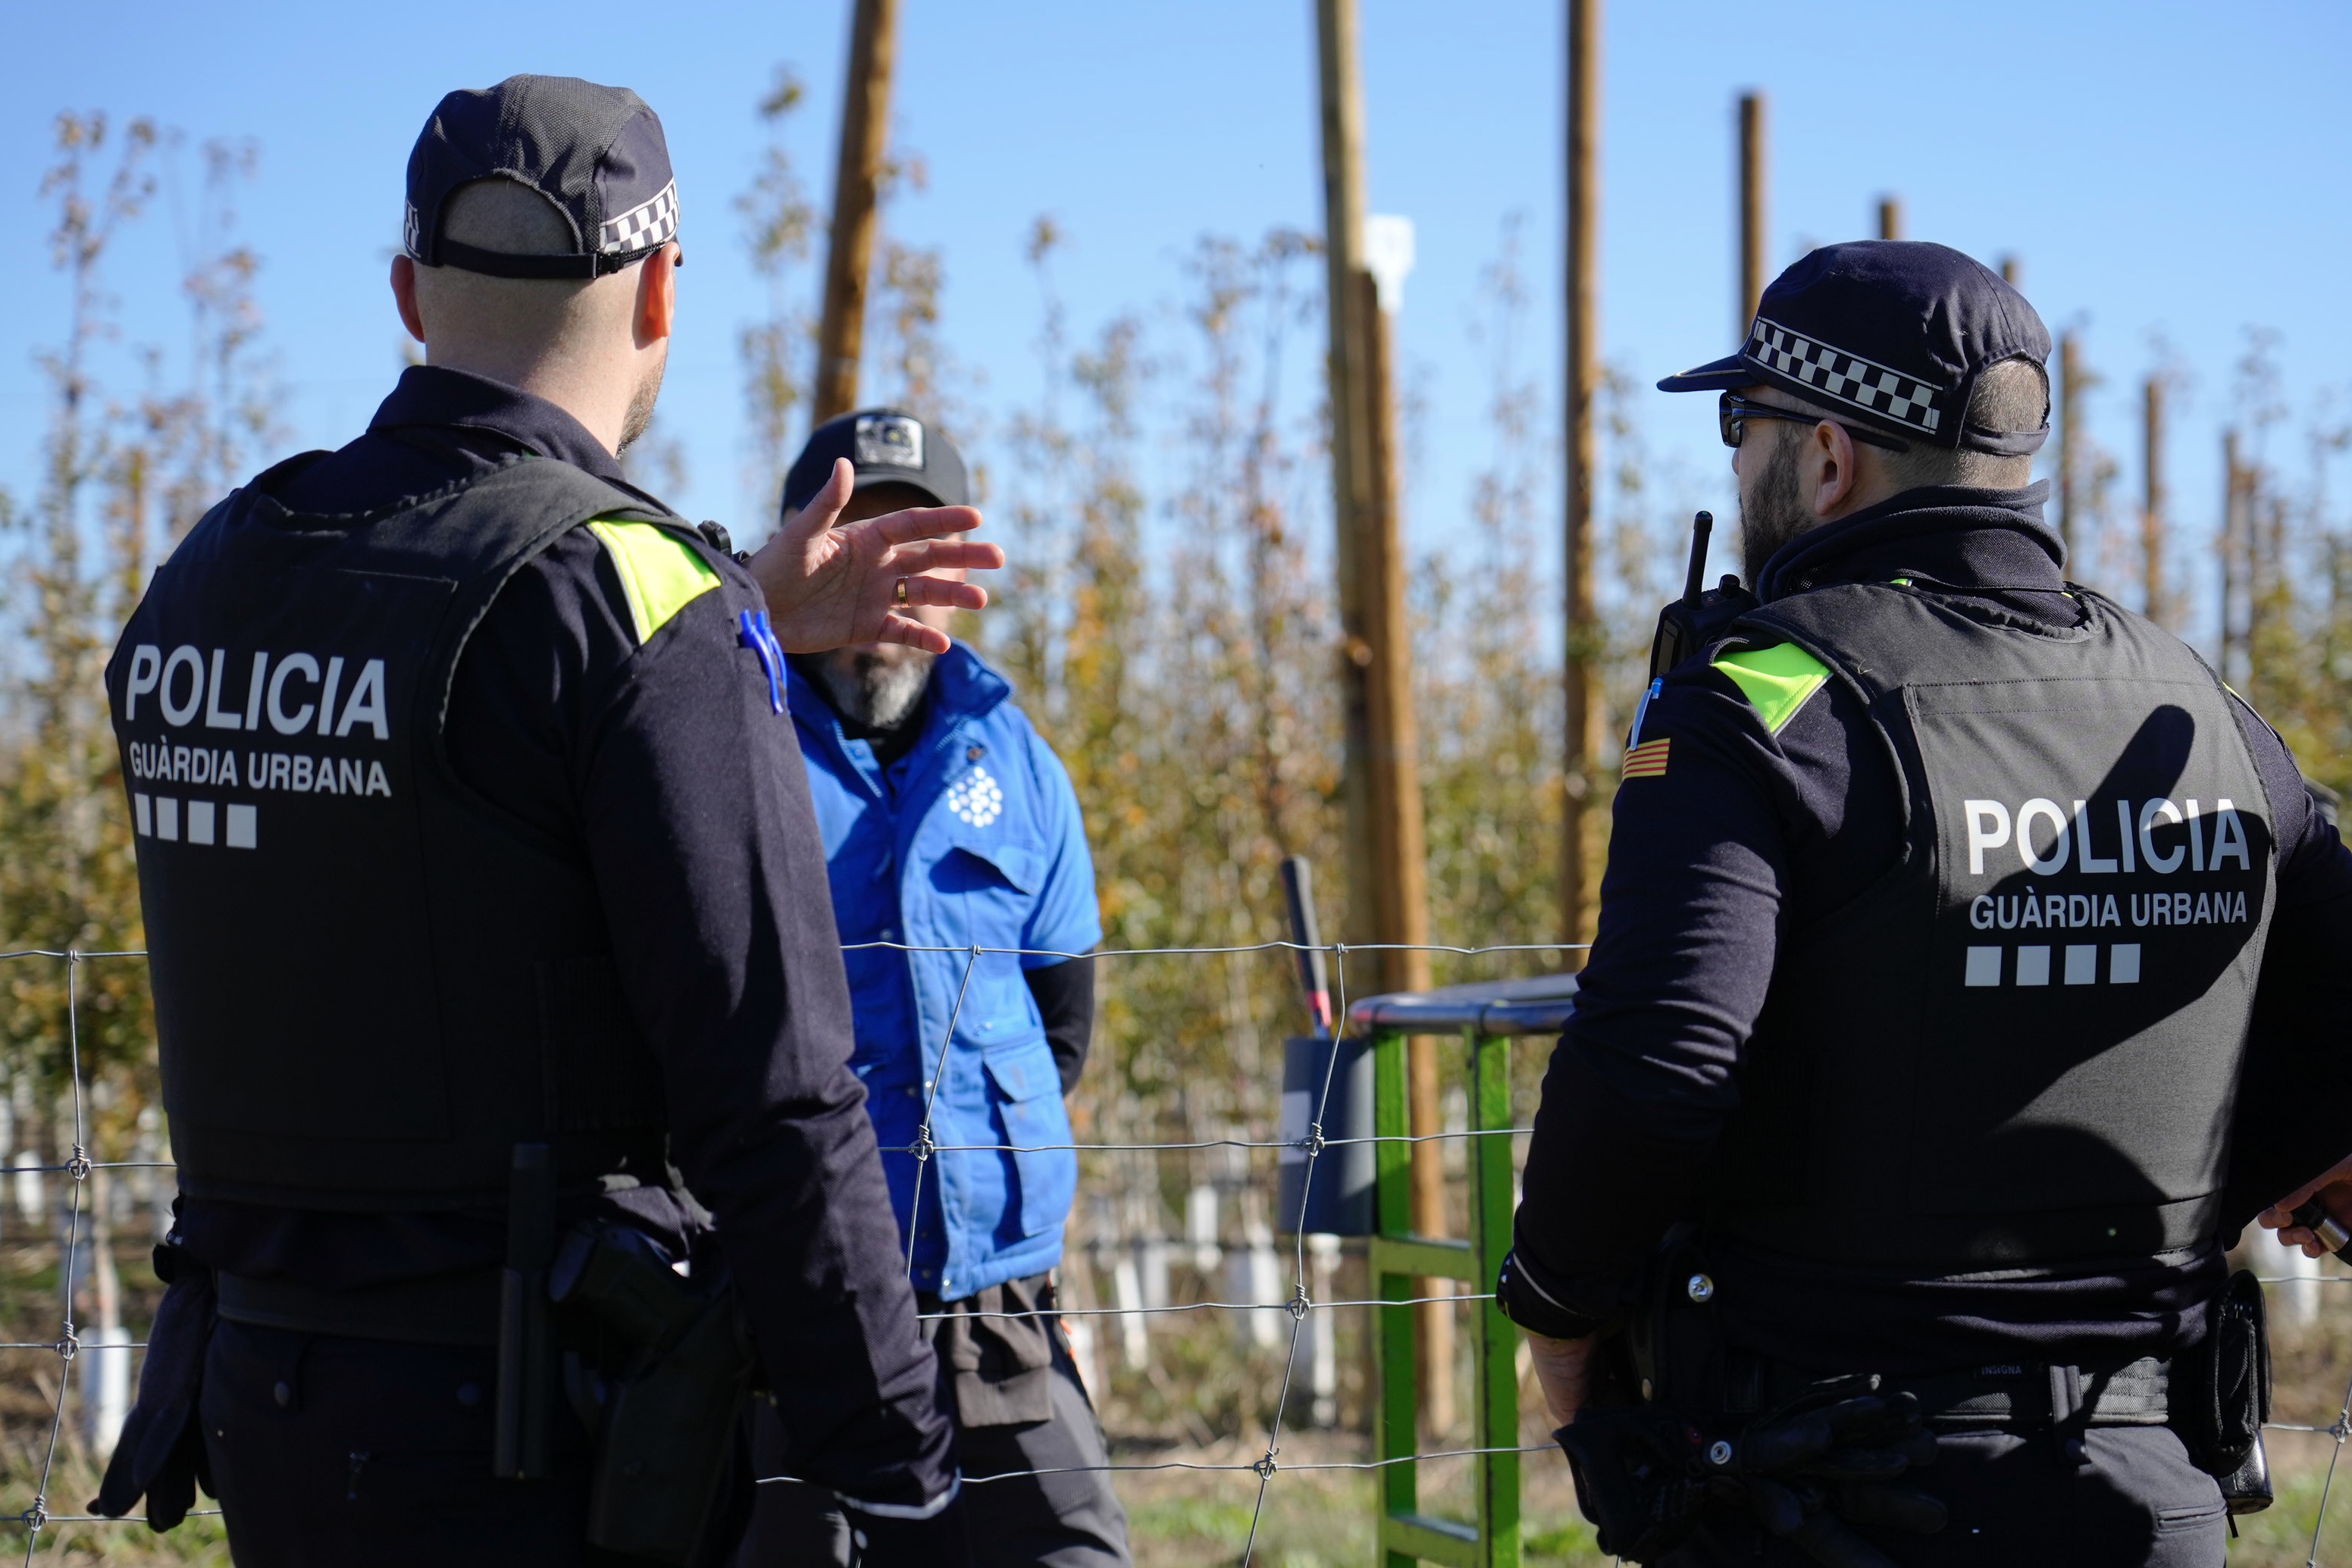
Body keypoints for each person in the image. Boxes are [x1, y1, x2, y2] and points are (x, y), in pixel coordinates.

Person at [93, 76, 1002, 1567]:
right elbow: (779, 1096)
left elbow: (440, 743)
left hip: (265, 1402)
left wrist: (740, 613)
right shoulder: (638, 607)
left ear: (406, 292)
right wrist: (890, 1460)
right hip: (537, 1442)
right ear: (658, 293)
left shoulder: (215, 570)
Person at [1496, 240, 2352, 1566]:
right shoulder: (2204, 710)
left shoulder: (1765, 703)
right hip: (2152, 1497)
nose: (1736, 460)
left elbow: (1661, 1060)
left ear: (1828, 456)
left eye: (1746, 423)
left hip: (1832, 1495)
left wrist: (1557, 1316)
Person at [737, 409, 1130, 1567]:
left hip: (993, 1315)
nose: (887, 591)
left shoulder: (1019, 760)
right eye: (853, 550)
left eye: (918, 550)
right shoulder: (729, 736)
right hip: (784, 1322)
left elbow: (1066, 1024)